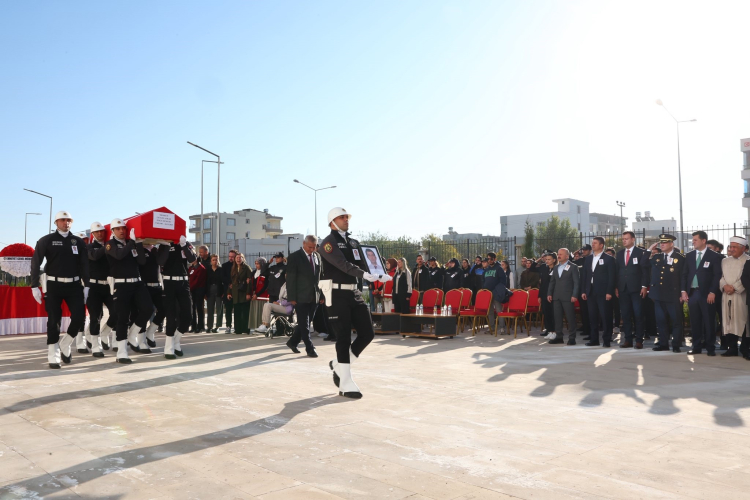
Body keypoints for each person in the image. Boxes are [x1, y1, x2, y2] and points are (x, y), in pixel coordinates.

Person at [320, 207, 392, 399]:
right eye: (342, 217)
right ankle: (345, 382)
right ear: (332, 222)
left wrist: (378, 273)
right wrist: (364, 274)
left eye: (347, 217)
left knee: (367, 333)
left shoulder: (353, 243)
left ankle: (338, 365)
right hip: (336, 293)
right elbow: (343, 265)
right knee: (343, 338)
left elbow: (363, 263)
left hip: (354, 292)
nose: (346, 220)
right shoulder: (328, 243)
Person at [30, 210, 90, 369]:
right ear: (56, 223)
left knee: (79, 317)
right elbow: (36, 262)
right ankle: (53, 354)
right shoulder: (46, 240)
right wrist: (34, 285)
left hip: (74, 285)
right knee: (54, 320)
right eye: (62, 220)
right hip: (53, 285)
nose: (66, 223)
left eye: (69, 220)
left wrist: (87, 285)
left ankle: (66, 343)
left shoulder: (78, 242)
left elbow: (85, 265)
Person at [105, 219, 152, 364]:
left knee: (148, 309)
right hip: (121, 285)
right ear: (113, 231)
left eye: (123, 228)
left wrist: (139, 244)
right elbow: (119, 255)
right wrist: (131, 242)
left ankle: (132, 334)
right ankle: (121, 352)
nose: (121, 231)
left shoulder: (132, 243)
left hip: (137, 283)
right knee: (123, 318)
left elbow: (142, 262)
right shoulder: (110, 244)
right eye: (118, 229)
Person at [681, 231, 722, 356]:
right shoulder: (689, 255)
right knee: (695, 321)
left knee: (709, 321)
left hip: (707, 294)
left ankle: (710, 347)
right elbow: (684, 274)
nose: (693, 242)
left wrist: (712, 291)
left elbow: (717, 276)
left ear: (703, 241)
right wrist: (683, 291)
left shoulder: (714, 256)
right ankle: (696, 346)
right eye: (693, 240)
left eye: (695, 240)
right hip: (693, 293)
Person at [157, 234, 196, 359]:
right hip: (169, 282)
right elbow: (160, 262)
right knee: (171, 315)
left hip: (183, 282)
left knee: (188, 315)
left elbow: (193, 259)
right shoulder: (163, 245)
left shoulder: (185, 243)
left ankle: (176, 341)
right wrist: (167, 246)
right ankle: (168, 348)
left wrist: (184, 245)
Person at [284, 235, 323, 357]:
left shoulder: (317, 256)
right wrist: (292, 297)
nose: (312, 249)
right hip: (300, 296)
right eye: (310, 247)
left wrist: (321, 294)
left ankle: (293, 342)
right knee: (305, 324)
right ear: (303, 244)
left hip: (314, 295)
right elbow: (290, 279)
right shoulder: (294, 257)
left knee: (305, 322)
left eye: (314, 247)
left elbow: (320, 276)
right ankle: (309, 348)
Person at [648, 234, 686, 353]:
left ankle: (676, 344)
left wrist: (682, 292)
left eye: (665, 242)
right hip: (659, 295)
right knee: (661, 321)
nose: (662, 245)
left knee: (676, 321)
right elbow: (643, 263)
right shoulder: (657, 257)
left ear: (671, 244)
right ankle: (663, 344)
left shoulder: (680, 258)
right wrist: (649, 250)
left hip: (673, 295)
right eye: (661, 243)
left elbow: (683, 277)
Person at [85, 221, 115, 357]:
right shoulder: (89, 247)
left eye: (102, 231)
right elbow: (95, 256)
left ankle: (105, 332)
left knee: (117, 312)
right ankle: (95, 345)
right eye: (97, 232)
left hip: (108, 286)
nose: (100, 233)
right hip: (94, 286)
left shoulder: (110, 246)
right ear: (92, 234)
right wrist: (108, 245)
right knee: (96, 316)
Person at [615, 231, 649, 349]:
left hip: (637, 288)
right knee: (625, 315)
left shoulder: (640, 252)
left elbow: (645, 271)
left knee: (638, 314)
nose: (624, 241)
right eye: (623, 239)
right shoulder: (620, 254)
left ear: (633, 239)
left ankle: (639, 340)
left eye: (627, 239)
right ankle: (628, 340)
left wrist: (644, 286)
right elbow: (617, 271)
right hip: (623, 288)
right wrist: (616, 287)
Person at [580, 236, 616, 347]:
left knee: (605, 316)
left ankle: (606, 340)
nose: (593, 244)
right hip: (591, 291)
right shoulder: (588, 259)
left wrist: (609, 292)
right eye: (592, 243)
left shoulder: (609, 259)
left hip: (603, 292)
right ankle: (594, 339)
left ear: (601, 245)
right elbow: (585, 276)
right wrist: (584, 290)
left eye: (595, 243)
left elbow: (612, 277)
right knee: (592, 316)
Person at [720, 237, 750, 357]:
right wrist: (724, 286)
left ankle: (744, 348)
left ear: (743, 248)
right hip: (726, 295)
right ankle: (732, 348)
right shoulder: (725, 261)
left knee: (743, 321)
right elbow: (721, 277)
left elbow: (746, 278)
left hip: (740, 295)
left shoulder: (748, 260)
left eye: (734, 247)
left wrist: (735, 288)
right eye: (730, 247)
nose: (731, 249)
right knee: (728, 322)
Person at [136, 242, 165, 353]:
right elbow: (142, 262)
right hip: (144, 286)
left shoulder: (155, 251)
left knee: (164, 309)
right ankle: (141, 341)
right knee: (144, 312)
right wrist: (140, 245)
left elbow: (161, 263)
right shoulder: (138, 249)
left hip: (157, 286)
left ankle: (150, 331)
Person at [547, 248, 579, 345]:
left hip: (568, 297)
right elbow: (552, 282)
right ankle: (559, 337)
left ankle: (572, 338)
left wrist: (574, 295)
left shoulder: (573, 267)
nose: (559, 256)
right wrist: (549, 293)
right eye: (558, 254)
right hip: (556, 296)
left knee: (570, 318)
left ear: (567, 256)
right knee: (557, 318)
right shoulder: (556, 267)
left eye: (561, 254)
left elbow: (576, 282)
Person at [482, 252, 510, 334]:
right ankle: (492, 327)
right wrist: (484, 289)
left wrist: (497, 290)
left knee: (499, 311)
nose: (489, 260)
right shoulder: (486, 270)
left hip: (496, 293)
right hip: (488, 294)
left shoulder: (499, 268)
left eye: (491, 259)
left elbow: (503, 281)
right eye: (488, 259)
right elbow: (483, 281)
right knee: (490, 311)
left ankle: (502, 328)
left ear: (495, 259)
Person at [228, 253, 252, 334]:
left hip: (243, 292)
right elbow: (231, 282)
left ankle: (245, 329)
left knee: (245, 312)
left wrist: (248, 293)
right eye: (237, 258)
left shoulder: (246, 268)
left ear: (243, 259)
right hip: (235, 292)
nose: (238, 259)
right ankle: (238, 329)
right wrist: (229, 292)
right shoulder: (233, 268)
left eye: (240, 257)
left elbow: (250, 281)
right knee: (237, 312)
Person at [573, 244, 592, 339]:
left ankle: (591, 329)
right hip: (582, 289)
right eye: (582, 250)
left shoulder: (592, 259)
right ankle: (585, 327)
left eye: (586, 250)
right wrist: (575, 253)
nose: (584, 251)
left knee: (591, 310)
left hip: (591, 288)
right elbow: (570, 262)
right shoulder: (580, 260)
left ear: (590, 250)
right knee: (583, 310)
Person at [539, 252, 557, 340]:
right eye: (546, 259)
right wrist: (539, 296)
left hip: (553, 295)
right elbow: (542, 283)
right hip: (544, 295)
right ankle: (549, 330)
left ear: (554, 260)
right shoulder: (545, 269)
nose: (547, 261)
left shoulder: (557, 269)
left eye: (549, 259)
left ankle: (555, 331)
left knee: (553, 314)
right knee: (546, 313)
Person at [205, 254, 224, 333]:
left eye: (216, 260)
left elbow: (223, 281)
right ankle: (209, 326)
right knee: (210, 310)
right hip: (210, 291)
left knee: (219, 309)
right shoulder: (208, 270)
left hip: (219, 290)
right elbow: (205, 281)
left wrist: (223, 292)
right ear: (211, 261)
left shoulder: (221, 270)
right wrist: (205, 293)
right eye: (213, 260)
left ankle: (217, 326)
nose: (215, 261)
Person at [188, 259, 207, 333]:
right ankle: (193, 326)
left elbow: (198, 280)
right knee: (192, 308)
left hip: (199, 289)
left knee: (199, 308)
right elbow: (189, 277)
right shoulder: (191, 268)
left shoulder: (201, 268)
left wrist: (190, 287)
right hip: (192, 290)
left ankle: (200, 326)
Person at [221, 250, 236, 333]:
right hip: (227, 290)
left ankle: (237, 326)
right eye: (229, 256)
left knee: (237, 310)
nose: (231, 258)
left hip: (237, 290)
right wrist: (230, 284)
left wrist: (234, 284)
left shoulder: (239, 265)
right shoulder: (224, 266)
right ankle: (228, 326)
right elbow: (222, 277)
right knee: (228, 310)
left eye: (232, 257)